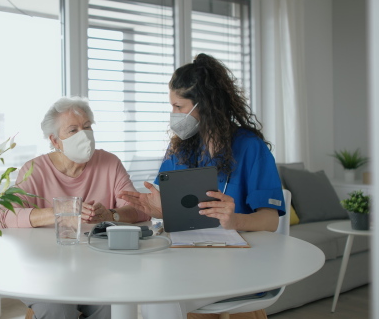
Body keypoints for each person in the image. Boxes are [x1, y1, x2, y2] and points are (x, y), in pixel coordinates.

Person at [118, 53, 286, 319]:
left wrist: (235, 221)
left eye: (179, 107)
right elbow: (178, 212)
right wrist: (159, 210)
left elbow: (270, 221)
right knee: (153, 294)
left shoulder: (250, 147)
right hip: (187, 261)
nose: (173, 115)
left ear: (203, 105)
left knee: (165, 296)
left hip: (239, 264)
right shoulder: (180, 149)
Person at [0, 96, 149, 319]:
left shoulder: (109, 163)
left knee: (111, 307)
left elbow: (140, 208)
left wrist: (111, 214)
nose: (84, 135)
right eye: (73, 130)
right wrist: (58, 213)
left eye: (87, 127)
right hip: (44, 269)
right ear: (55, 141)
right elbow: (3, 216)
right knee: (58, 309)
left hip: (100, 268)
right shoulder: (34, 170)